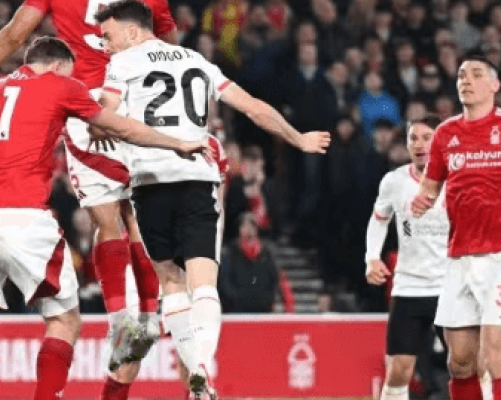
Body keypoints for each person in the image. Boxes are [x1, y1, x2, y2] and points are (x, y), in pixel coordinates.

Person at [0, 36, 210, 400]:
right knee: (64, 321)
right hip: (24, 219)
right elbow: (119, 126)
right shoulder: (60, 85)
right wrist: (175, 143)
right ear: (59, 66)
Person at [92, 1, 331, 397]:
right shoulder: (198, 61)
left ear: (133, 32)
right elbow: (254, 108)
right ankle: (202, 366)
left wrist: (97, 121)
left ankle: (196, 370)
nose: (105, 46)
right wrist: (297, 137)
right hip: (197, 178)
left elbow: (107, 111)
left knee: (171, 280)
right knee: (204, 285)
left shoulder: (123, 65)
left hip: (150, 183)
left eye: (108, 37)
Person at [0, 0, 179, 375]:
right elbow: (170, 45)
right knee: (140, 216)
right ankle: (147, 315)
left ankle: (122, 323)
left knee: (107, 219)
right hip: (144, 100)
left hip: (88, 100)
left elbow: (16, 33)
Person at [412, 55, 501, 400]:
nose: (466, 80)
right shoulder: (446, 134)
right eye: (461, 75)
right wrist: (421, 201)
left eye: (476, 74)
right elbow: (430, 186)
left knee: (496, 358)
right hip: (459, 257)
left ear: (494, 85)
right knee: (460, 363)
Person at [366, 115, 450, 400]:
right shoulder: (394, 181)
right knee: (399, 369)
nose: (419, 144)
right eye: (413, 138)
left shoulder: (457, 180)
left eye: (427, 137)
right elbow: (378, 219)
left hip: (451, 288)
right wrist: (372, 258)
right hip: (409, 288)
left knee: (466, 367)